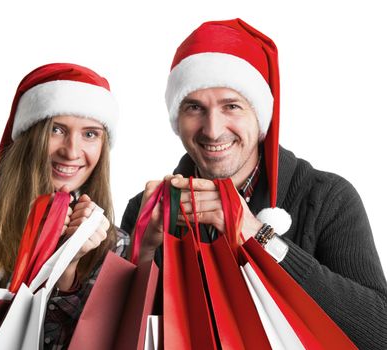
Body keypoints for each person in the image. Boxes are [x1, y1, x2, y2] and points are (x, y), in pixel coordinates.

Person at [121, 18, 387, 349]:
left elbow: (379, 333)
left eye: (231, 106)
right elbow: (120, 336)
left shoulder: (327, 198)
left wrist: (259, 237)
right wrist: (142, 252)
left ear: (260, 117)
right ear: (177, 119)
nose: (213, 129)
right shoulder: (148, 209)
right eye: (195, 108)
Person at [0, 63, 129, 349]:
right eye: (57, 129)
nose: (71, 151)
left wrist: (69, 265)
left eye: (90, 134)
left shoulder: (113, 244)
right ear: (29, 136)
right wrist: (54, 262)